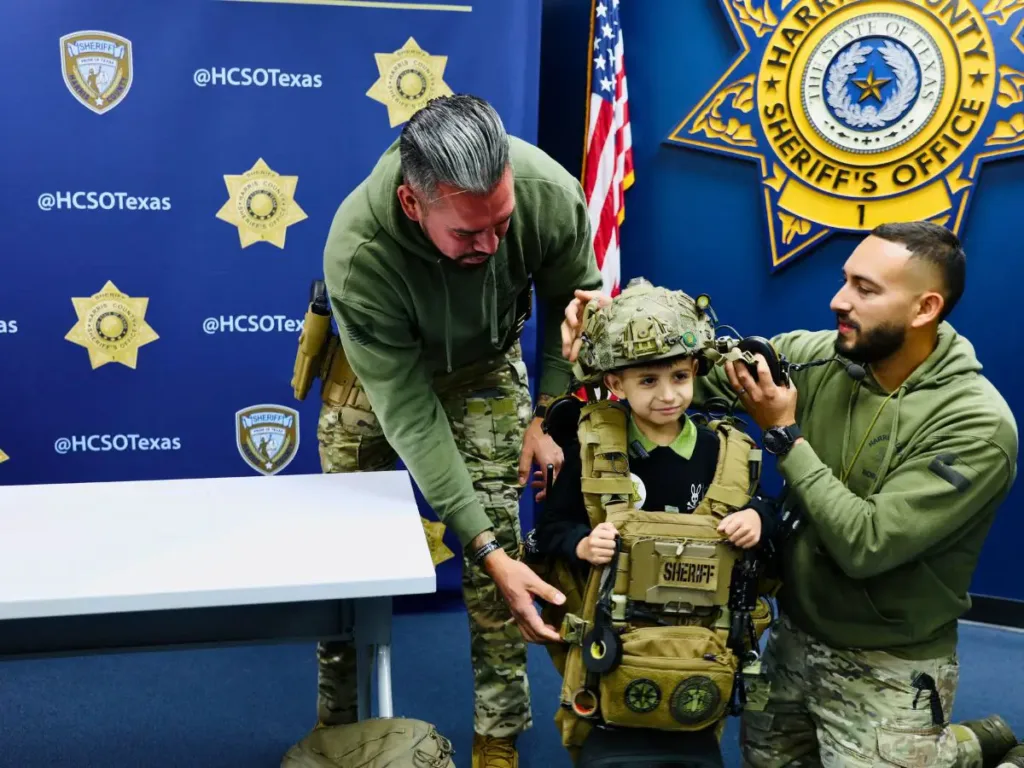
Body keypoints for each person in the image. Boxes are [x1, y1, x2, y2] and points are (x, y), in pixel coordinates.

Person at [559, 222, 1023, 767]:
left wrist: (785, 435)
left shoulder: (977, 425)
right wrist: (603, 341)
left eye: (866, 290)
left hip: (889, 658)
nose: (838, 300)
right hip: (790, 638)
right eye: (846, 280)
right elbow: (672, 381)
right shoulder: (817, 356)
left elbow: (866, 545)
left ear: (924, 309)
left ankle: (966, 748)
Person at [315, 93, 602, 767]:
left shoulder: (546, 193)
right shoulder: (359, 251)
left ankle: (498, 736)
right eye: (468, 234)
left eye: (500, 223)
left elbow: (575, 304)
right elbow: (409, 411)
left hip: (484, 367)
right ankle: (338, 727)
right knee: (346, 577)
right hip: (375, 382)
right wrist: (479, 542)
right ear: (415, 205)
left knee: (505, 556)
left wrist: (549, 413)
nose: (492, 244)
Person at [531, 278, 781, 765]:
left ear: (694, 372)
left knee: (693, 735)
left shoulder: (723, 450)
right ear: (615, 383)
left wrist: (757, 518)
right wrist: (583, 544)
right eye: (648, 381)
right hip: (613, 638)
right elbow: (551, 527)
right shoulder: (597, 448)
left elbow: (767, 507)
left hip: (702, 642)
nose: (668, 395)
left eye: (680, 378)